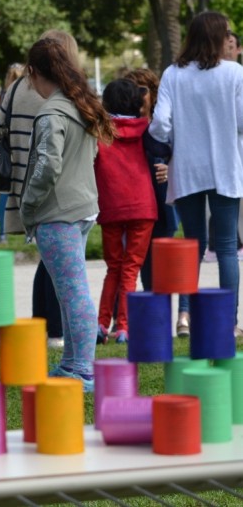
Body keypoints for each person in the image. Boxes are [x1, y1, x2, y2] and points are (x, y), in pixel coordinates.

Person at [21, 37, 115, 392]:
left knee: (72, 292)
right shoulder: (79, 105)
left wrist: (28, 204)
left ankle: (82, 370)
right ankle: (73, 365)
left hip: (57, 213)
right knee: (69, 291)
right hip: (82, 207)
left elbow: (47, 164)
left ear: (33, 73)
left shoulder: (51, 113)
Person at [149, 10, 243, 330]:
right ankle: (229, 322)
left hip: (186, 168)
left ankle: (184, 316)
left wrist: (170, 142)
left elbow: (160, 124)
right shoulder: (234, 73)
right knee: (228, 247)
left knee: (192, 244)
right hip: (225, 168)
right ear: (218, 37)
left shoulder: (173, 74)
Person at [0, 29, 80, 347]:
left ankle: (43, 325)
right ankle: (55, 331)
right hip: (57, 189)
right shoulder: (67, 92)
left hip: (21, 182)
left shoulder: (15, 87)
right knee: (59, 267)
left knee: (47, 260)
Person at [95, 79, 157, 344]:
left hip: (110, 204)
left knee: (114, 268)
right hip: (142, 204)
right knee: (131, 268)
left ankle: (100, 324)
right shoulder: (148, 130)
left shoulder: (99, 131)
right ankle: (124, 327)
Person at [125, 68, 186, 334]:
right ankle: (155, 320)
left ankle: (183, 314)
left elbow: (181, 151)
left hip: (163, 199)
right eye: (132, 90)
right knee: (146, 260)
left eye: (143, 90)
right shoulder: (124, 128)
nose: (139, 96)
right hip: (136, 201)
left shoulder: (162, 125)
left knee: (172, 258)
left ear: (153, 93)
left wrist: (169, 167)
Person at [0, 63, 25, 244]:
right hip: (23, 148)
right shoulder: (28, 96)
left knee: (4, 191)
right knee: (26, 189)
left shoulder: (1, 97)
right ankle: (28, 231)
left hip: (5, 150)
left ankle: (2, 233)